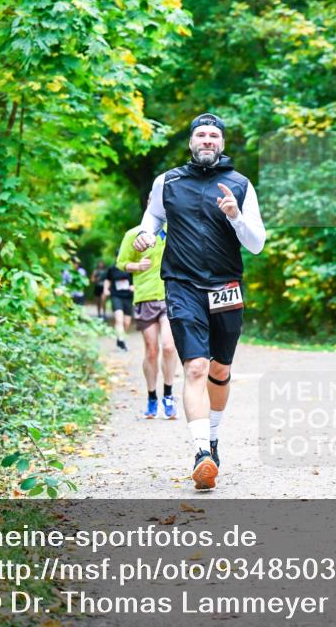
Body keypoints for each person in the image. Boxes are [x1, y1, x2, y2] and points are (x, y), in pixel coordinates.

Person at [133, 112, 265, 490]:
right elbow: (151, 219)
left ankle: (214, 438)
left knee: (220, 370)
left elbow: (256, 243)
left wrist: (236, 216)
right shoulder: (168, 182)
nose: (207, 140)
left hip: (226, 286)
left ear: (222, 144)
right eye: (201, 135)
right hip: (182, 284)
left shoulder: (240, 185)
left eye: (214, 136)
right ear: (191, 142)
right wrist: (145, 234)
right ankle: (201, 452)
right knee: (194, 367)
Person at [117, 223, 179, 420]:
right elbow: (121, 262)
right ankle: (152, 397)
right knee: (151, 351)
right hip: (145, 298)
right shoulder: (134, 233)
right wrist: (136, 266)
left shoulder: (176, 229)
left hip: (170, 296)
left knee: (169, 346)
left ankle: (168, 395)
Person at [105, 257, 134, 350]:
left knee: (127, 322)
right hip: (116, 296)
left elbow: (137, 279)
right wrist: (106, 289)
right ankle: (121, 342)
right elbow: (107, 280)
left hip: (128, 297)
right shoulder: (112, 268)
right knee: (119, 319)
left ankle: (120, 338)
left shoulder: (131, 267)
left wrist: (134, 286)